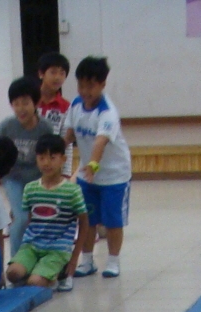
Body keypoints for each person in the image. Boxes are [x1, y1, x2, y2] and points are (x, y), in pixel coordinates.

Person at [65, 55, 130, 279]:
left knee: (112, 221)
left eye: (90, 86)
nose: (85, 91)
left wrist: (92, 166)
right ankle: (87, 261)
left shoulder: (107, 111)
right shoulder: (75, 105)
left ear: (102, 85)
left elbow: (100, 142)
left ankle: (113, 261)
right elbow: (68, 135)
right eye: (81, 85)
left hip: (114, 176)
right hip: (86, 175)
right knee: (87, 219)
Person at [7, 133, 87, 292]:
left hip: (57, 249)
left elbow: (84, 222)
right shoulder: (30, 188)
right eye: (42, 158)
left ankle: (59, 272)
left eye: (52, 157)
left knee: (34, 283)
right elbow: (30, 219)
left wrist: (74, 257)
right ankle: (37, 268)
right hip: (32, 246)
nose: (47, 163)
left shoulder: (72, 191)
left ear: (63, 160)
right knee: (12, 274)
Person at [0, 76, 47, 244]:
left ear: (36, 103)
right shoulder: (6, 126)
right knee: (20, 217)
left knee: (39, 219)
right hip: (14, 178)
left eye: (25, 103)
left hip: (37, 179)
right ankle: (15, 263)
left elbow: (50, 154)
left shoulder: (45, 128)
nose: (21, 108)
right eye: (16, 103)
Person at [36, 52, 72, 135]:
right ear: (41, 74)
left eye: (62, 73)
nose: (58, 77)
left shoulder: (66, 107)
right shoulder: (30, 101)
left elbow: (65, 139)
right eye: (53, 72)